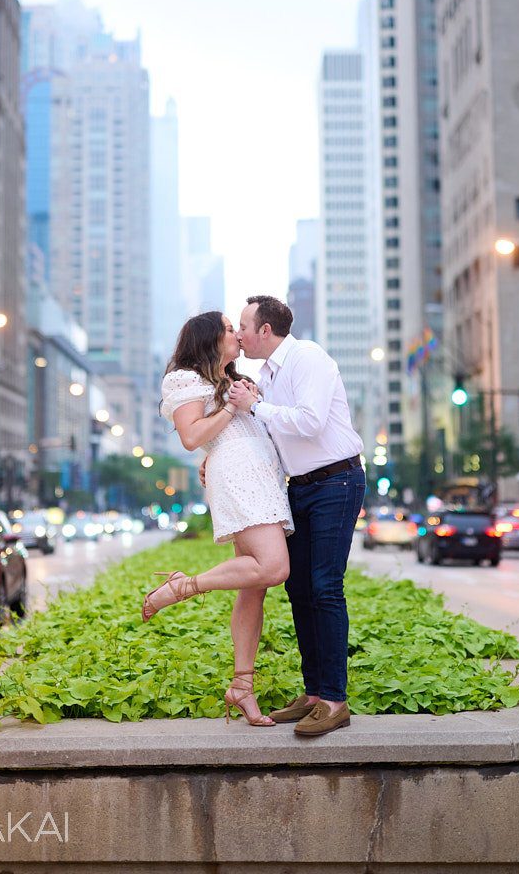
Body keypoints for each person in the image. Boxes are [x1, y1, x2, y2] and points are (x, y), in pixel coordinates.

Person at [142, 311, 293, 727]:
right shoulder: (185, 378)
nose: (238, 335)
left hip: (262, 477)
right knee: (274, 568)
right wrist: (229, 409)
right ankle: (185, 585)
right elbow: (192, 436)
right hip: (240, 478)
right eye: (230, 329)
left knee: (256, 585)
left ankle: (242, 688)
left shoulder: (233, 381)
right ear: (209, 340)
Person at [228, 295, 366, 737]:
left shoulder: (309, 358)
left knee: (325, 587)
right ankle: (313, 695)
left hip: (336, 482)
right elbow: (274, 434)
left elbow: (309, 422)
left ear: (265, 330)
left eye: (245, 326)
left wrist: (256, 407)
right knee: (299, 587)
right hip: (301, 488)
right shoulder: (266, 374)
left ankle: (334, 700)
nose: (240, 335)